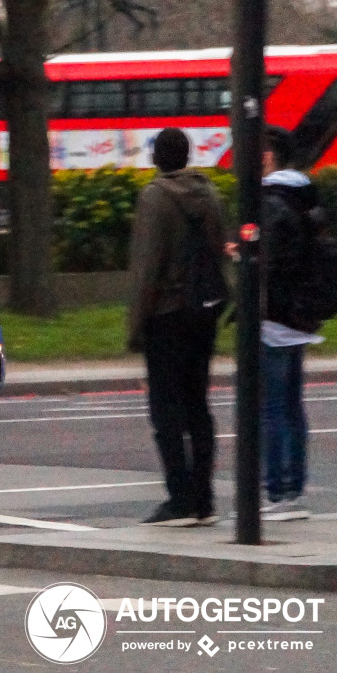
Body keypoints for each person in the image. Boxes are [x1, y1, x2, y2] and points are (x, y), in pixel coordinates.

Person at [127, 127, 229, 526]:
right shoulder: (210, 195)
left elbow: (146, 267)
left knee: (165, 409)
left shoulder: (155, 198)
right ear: (187, 156)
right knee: (198, 405)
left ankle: (180, 498)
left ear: (157, 157)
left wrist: (136, 325)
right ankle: (205, 499)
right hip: (204, 312)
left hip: (167, 314)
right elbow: (219, 251)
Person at [259, 125, 326, 521]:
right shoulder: (305, 196)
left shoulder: (271, 200)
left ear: (270, 155)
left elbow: (269, 259)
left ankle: (278, 489)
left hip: (275, 316)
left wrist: (242, 253)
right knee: (292, 405)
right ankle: (293, 487)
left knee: (272, 407)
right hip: (301, 314)